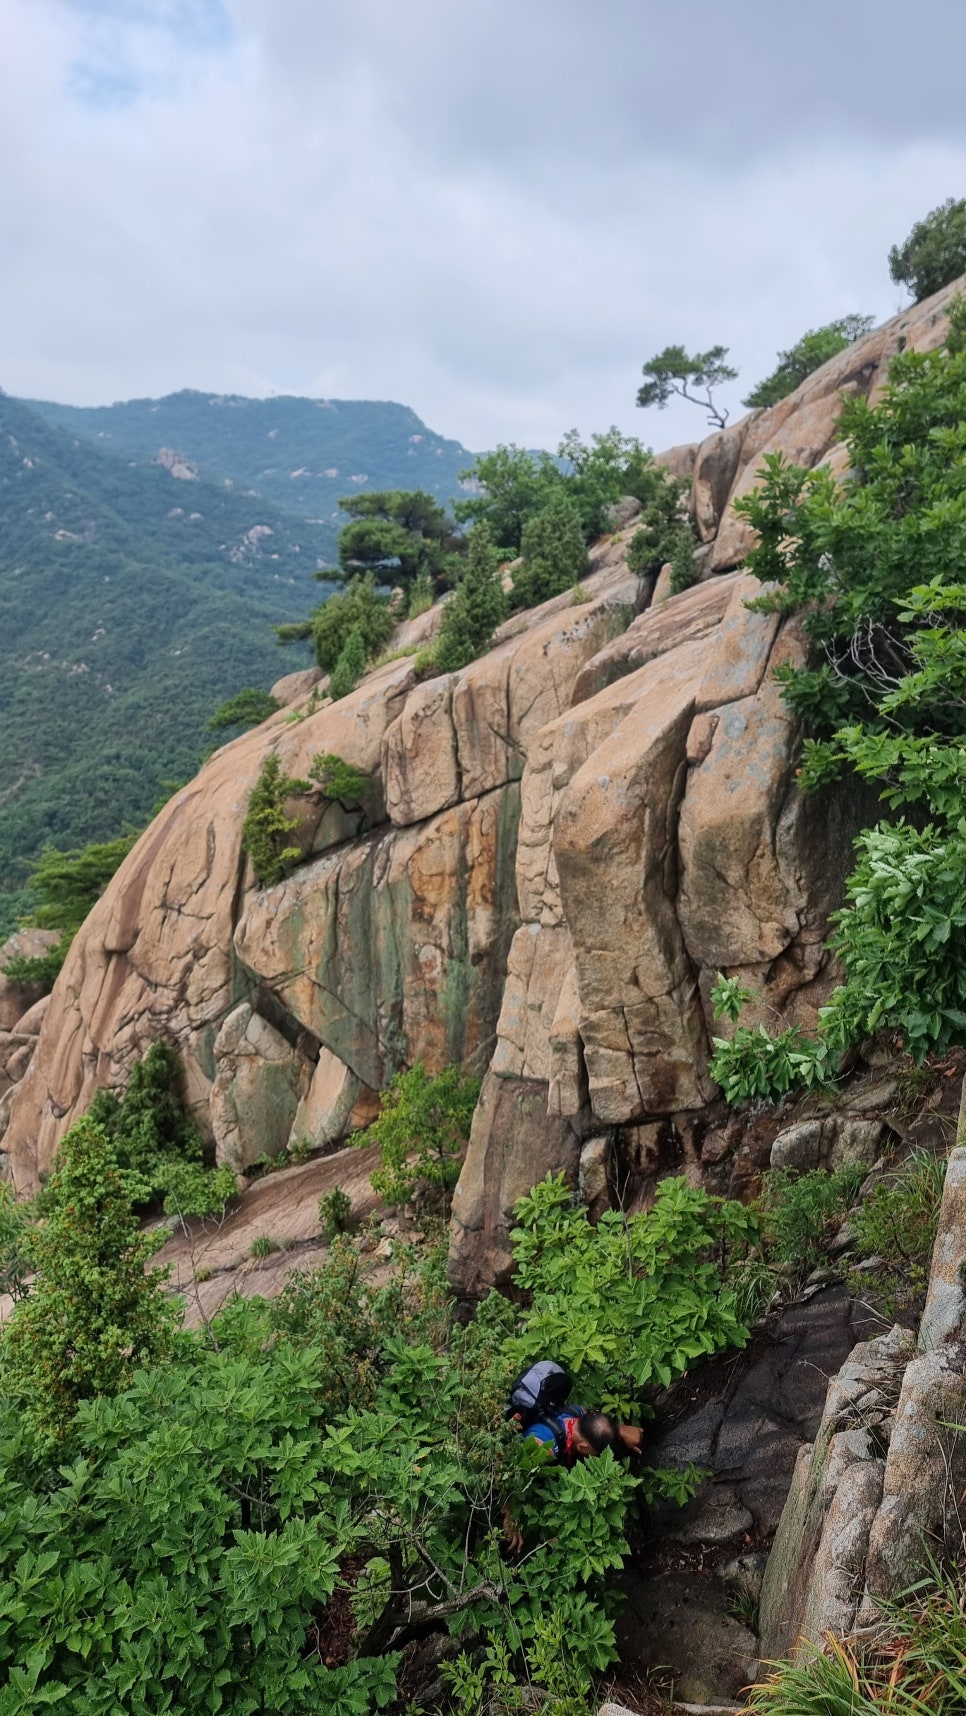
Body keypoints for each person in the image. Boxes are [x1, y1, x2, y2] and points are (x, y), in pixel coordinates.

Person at [503, 1408, 644, 1552]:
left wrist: (619, 1431)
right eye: (597, 1455)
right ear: (583, 1447)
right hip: (520, 1470)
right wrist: (510, 1514)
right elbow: (509, 1473)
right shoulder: (544, 1449)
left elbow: (600, 1425)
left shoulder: (579, 1412)